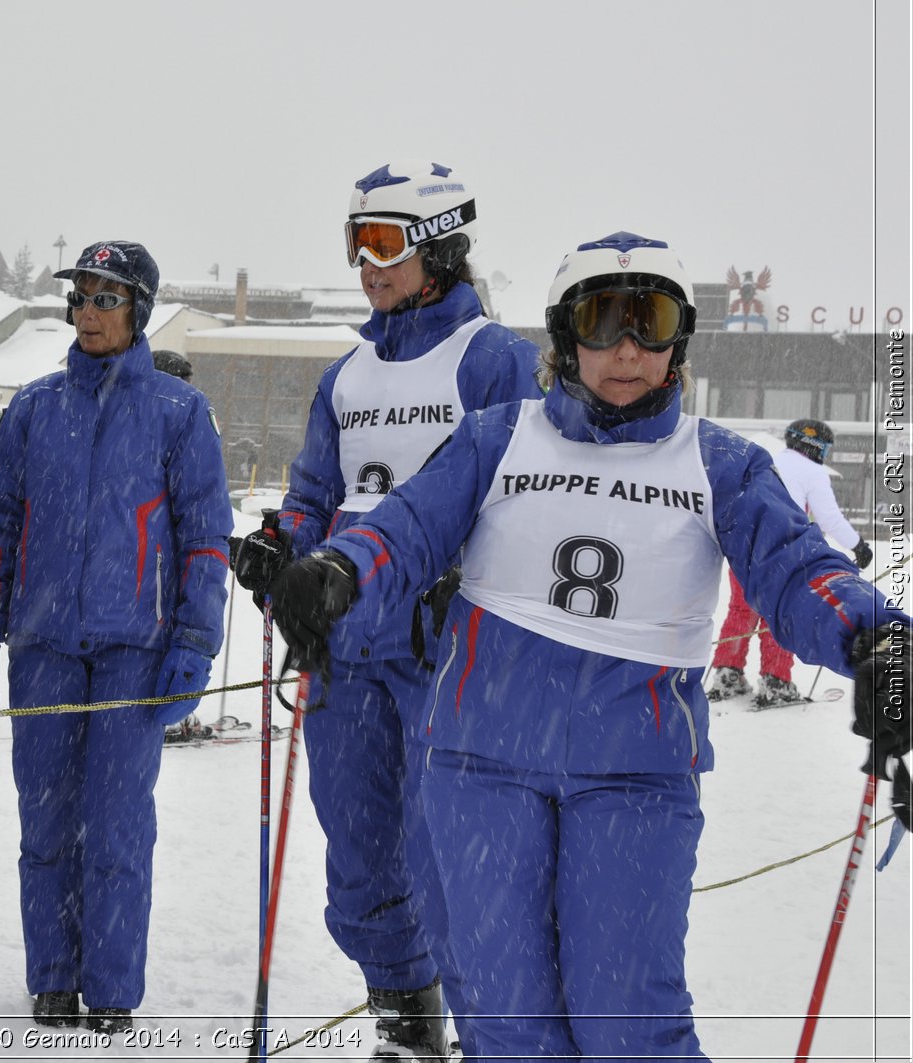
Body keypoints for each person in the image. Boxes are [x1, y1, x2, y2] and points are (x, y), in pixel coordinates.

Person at [264, 232, 910, 1062]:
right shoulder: (499, 436)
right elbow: (407, 527)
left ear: (681, 339)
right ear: (568, 334)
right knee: (505, 1016)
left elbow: (798, 570)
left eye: (654, 320)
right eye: (606, 319)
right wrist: (338, 570)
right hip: (481, 761)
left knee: (627, 1018)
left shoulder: (721, 462)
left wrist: (877, 636)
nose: (630, 348)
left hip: (634, 771)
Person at [230, 159, 540, 1057]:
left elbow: (524, 496)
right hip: (344, 646)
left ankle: (489, 1029)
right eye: (355, 242)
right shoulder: (348, 373)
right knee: (359, 864)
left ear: (439, 247)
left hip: (445, 648)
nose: (366, 263)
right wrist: (280, 544)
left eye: (385, 242)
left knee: (451, 857)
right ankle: (406, 1021)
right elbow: (316, 488)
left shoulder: (493, 358)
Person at [0, 240, 233, 1033]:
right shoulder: (32, 408)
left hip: (133, 649)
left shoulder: (180, 415)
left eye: (106, 298)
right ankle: (51, 975)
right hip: (43, 646)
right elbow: (1, 524)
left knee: (116, 824)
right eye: (80, 297)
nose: (88, 312)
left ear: (138, 310)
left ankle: (111, 985)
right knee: (44, 820)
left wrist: (194, 638)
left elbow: (207, 535)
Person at [708, 417, 873, 707]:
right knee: (779, 613)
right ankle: (776, 682)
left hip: (744, 548)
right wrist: (858, 546)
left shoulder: (767, 461)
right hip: (782, 552)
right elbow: (829, 517)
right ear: (816, 445)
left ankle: (727, 673)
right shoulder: (812, 471)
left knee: (740, 611)